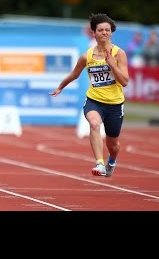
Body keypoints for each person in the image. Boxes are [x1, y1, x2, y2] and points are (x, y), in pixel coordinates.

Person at [50, 13, 129, 177]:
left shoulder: (119, 54)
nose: (104, 33)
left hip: (115, 104)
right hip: (94, 100)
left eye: (107, 30)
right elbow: (74, 75)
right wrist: (60, 87)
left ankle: (112, 160)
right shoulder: (87, 56)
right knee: (94, 124)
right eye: (100, 30)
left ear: (111, 32)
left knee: (113, 144)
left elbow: (125, 81)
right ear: (94, 33)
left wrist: (112, 64)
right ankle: (99, 163)